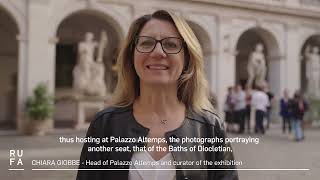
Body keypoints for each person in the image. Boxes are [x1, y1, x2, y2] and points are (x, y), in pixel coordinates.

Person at [76, 10, 238, 180]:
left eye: (171, 44)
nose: (158, 52)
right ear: (132, 57)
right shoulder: (105, 124)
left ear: (187, 59)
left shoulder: (210, 127)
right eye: (146, 43)